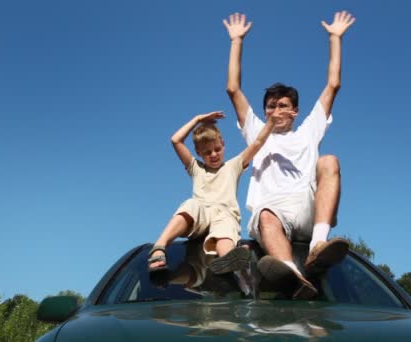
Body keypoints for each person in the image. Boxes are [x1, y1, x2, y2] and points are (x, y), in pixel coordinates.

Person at [223, 11, 356, 298]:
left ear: (295, 111)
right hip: (273, 214)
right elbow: (233, 89)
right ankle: (293, 276)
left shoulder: (308, 131)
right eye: (270, 106)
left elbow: (333, 85)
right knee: (267, 214)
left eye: (283, 105)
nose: (276, 110)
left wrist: (335, 38)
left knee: (330, 160)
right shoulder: (257, 131)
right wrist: (236, 41)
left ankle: (318, 246)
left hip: (307, 210)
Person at [148, 110, 281, 275]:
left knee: (226, 227)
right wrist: (197, 119)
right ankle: (159, 247)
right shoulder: (196, 168)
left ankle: (228, 258)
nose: (213, 155)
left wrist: (271, 123)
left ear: (223, 144)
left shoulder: (233, 166)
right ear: (198, 153)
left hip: (224, 213)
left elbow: (258, 142)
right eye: (207, 152)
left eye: (217, 149)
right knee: (191, 204)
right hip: (200, 214)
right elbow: (176, 140)